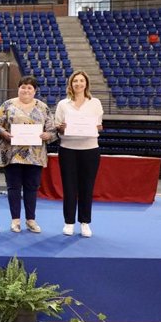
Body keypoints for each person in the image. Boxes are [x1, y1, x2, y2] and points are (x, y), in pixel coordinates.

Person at [0, 76, 57, 233]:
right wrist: (4, 133)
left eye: (30, 88)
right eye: (23, 87)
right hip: (12, 154)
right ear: (18, 88)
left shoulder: (43, 107)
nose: (26, 90)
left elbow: (52, 130)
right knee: (13, 187)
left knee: (32, 188)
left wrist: (48, 135)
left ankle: (31, 220)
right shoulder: (7, 105)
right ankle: (15, 220)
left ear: (35, 90)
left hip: (35, 156)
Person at [55, 70, 103, 238]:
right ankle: (69, 222)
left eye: (82, 81)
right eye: (75, 81)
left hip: (90, 150)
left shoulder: (95, 103)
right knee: (69, 187)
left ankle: (85, 222)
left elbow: (99, 126)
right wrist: (62, 127)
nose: (78, 84)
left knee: (87, 187)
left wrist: (94, 127)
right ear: (71, 84)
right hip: (67, 149)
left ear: (86, 84)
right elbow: (57, 126)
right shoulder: (63, 104)